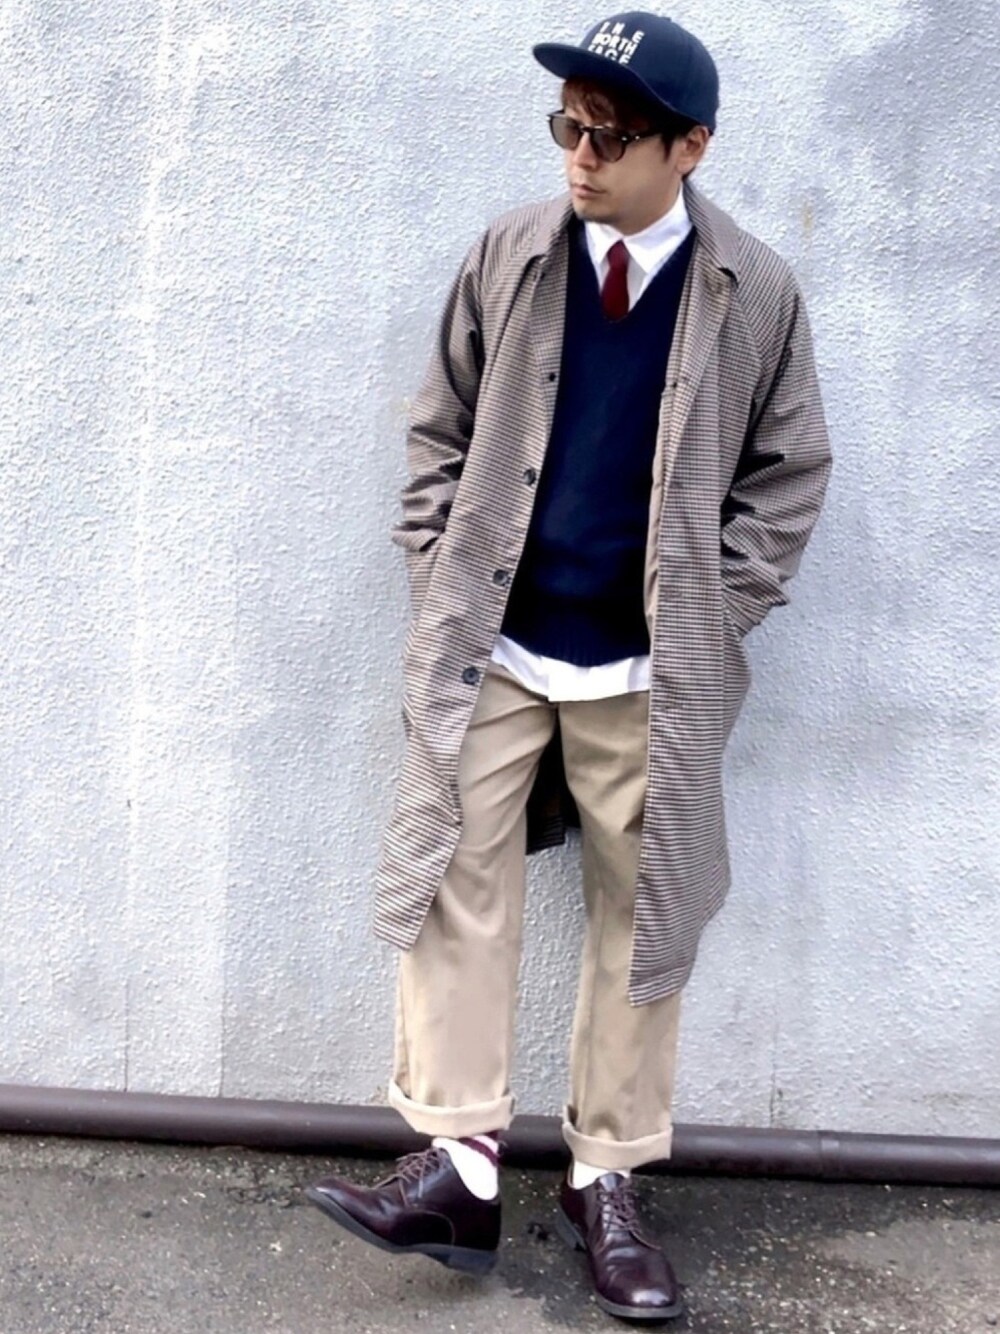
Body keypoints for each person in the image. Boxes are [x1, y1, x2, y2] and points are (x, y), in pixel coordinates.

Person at [307, 9, 831, 1322]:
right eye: (568, 128)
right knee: (453, 878)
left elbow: (788, 477)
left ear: (690, 147)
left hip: (650, 671)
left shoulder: (754, 293)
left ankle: (607, 1180)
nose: (580, 157)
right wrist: (439, 565)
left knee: (643, 919)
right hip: (492, 649)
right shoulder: (513, 252)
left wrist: (720, 613)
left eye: (611, 136)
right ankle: (463, 1167)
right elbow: (439, 424)